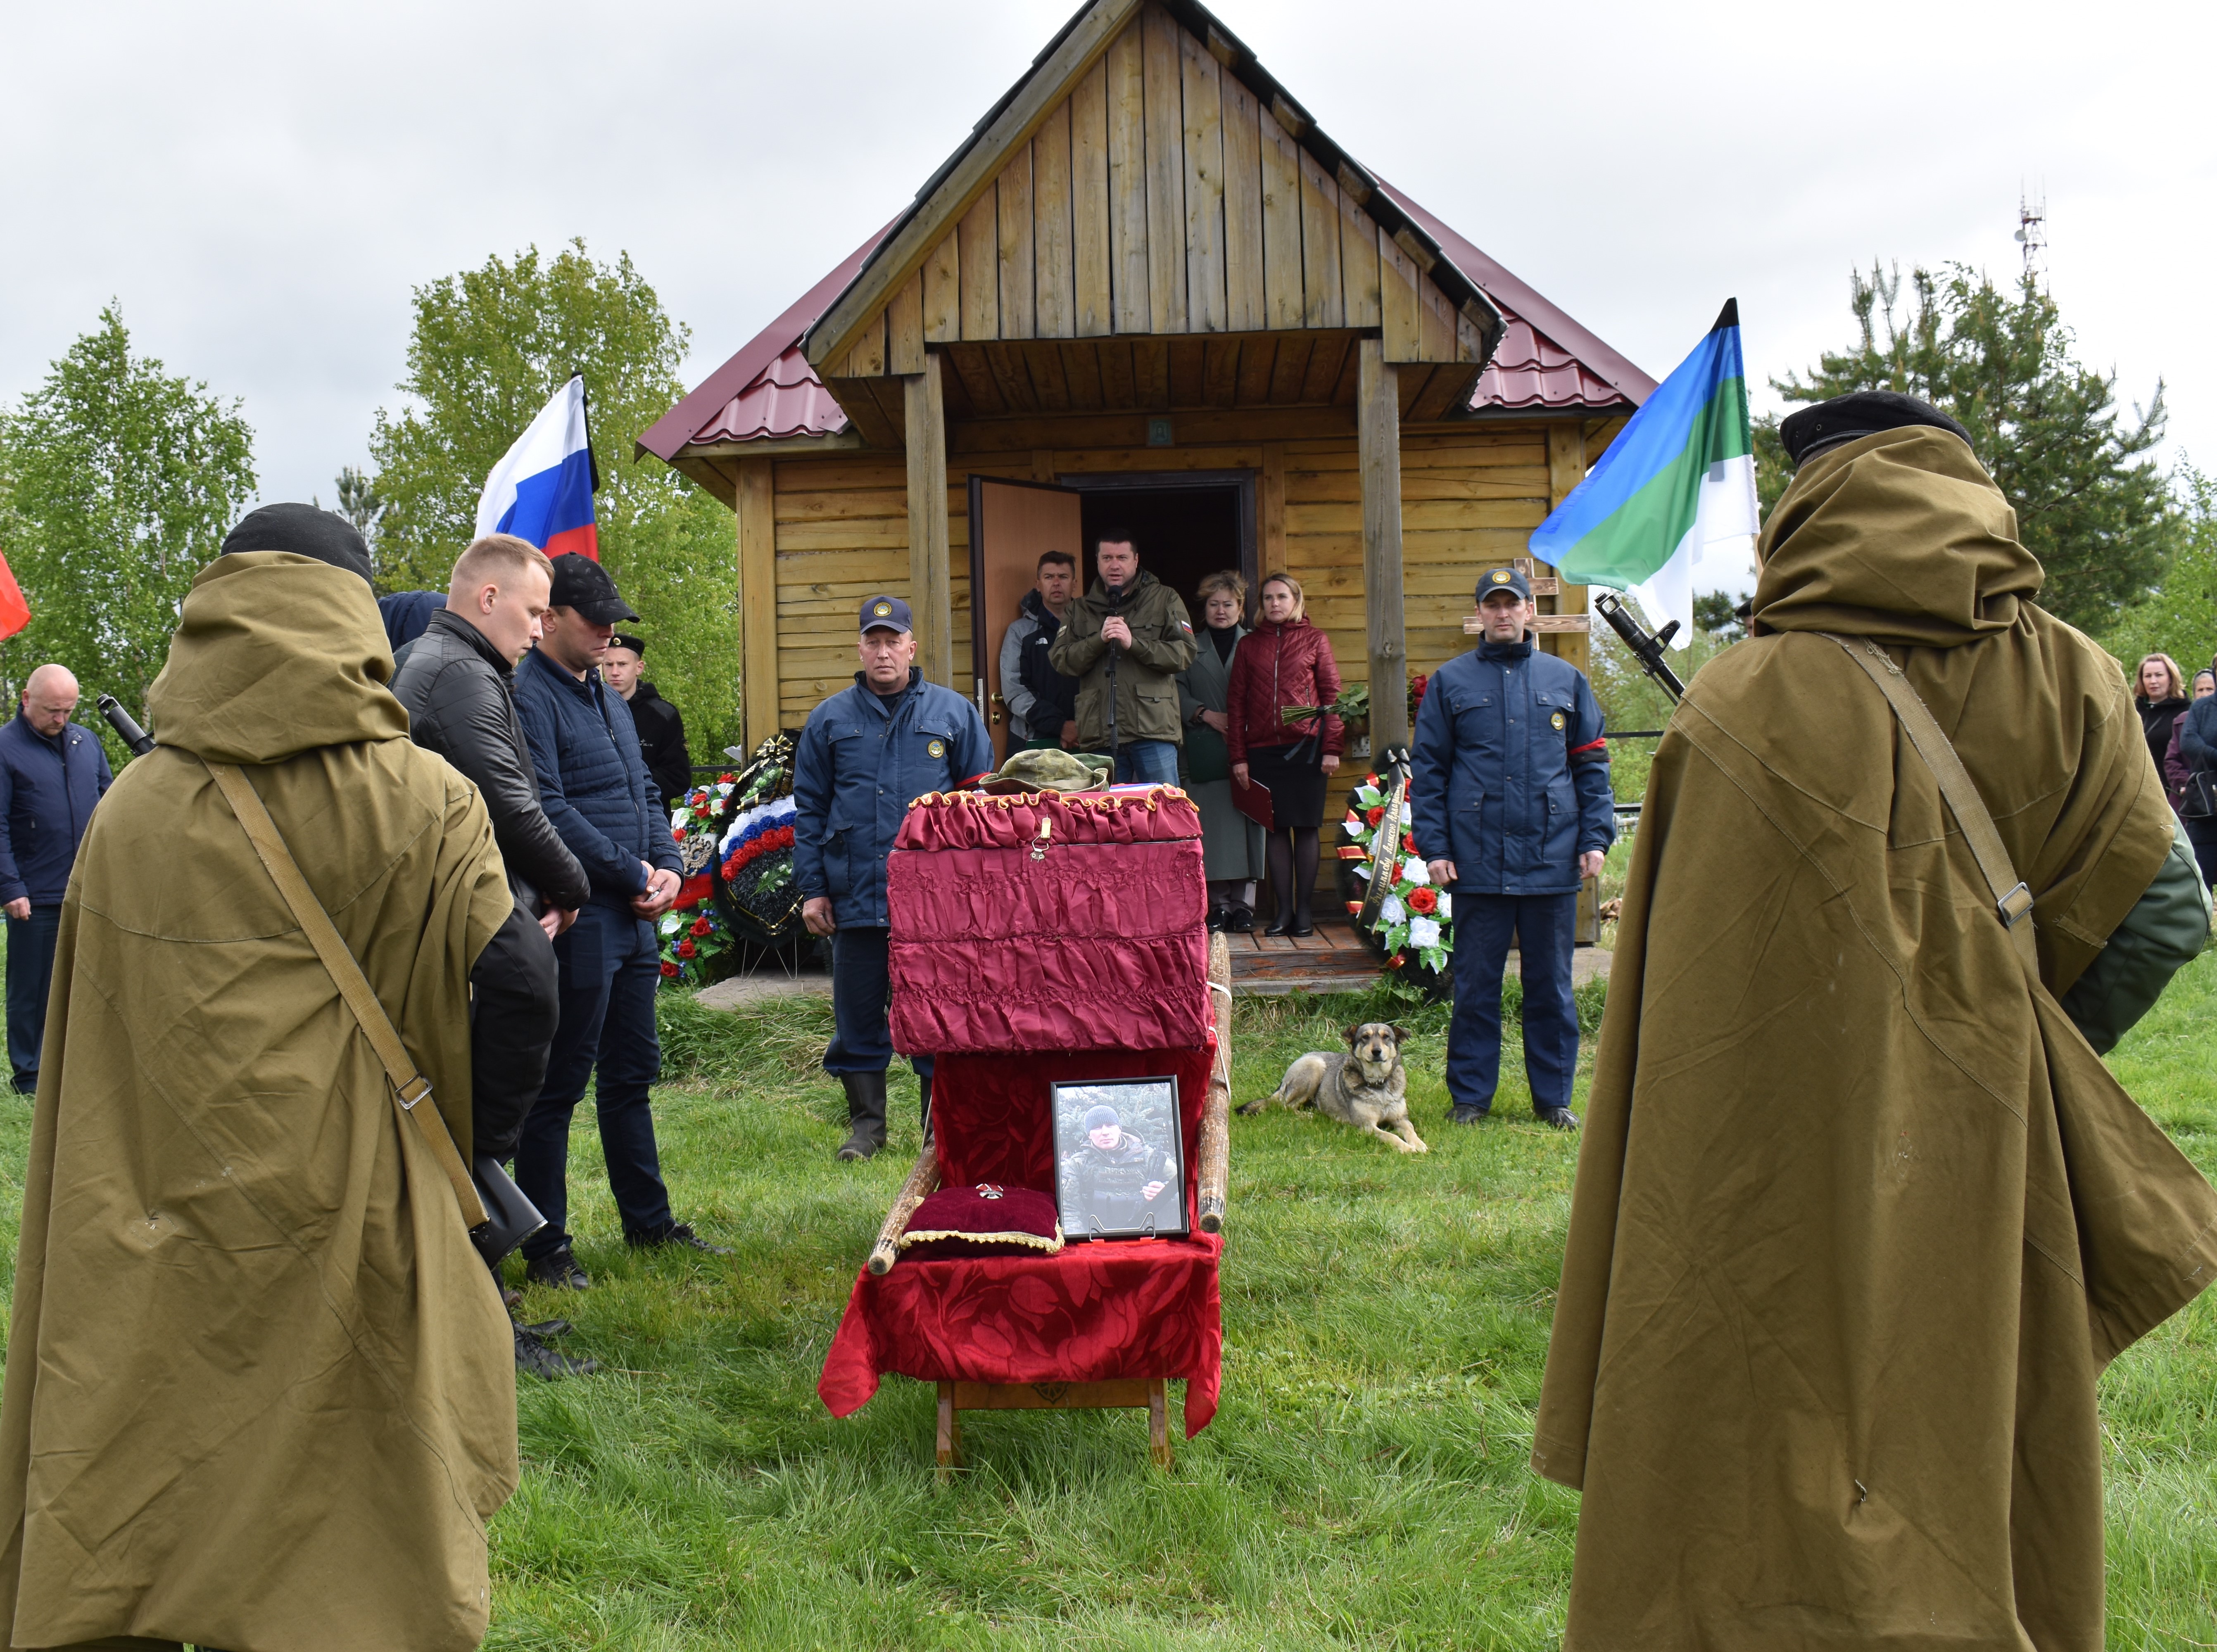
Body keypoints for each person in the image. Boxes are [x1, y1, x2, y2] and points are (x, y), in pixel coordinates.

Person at [1534, 392, 2217, 1649]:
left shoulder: (1733, 701)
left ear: (1806, 508)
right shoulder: (2069, 668)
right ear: (1959, 485)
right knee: (1979, 1445)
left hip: (1755, 1162)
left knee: (1740, 1450)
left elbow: (1674, 1003)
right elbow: (2167, 909)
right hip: (1994, 1147)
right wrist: (2008, 1050)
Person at [0, 503, 525, 1650]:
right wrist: (473, 1142)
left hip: (161, 1207)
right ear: (352, 612)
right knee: (356, 1487)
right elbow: (520, 980)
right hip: (361, 1197)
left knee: (154, 1453)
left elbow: (85, 1033)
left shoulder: (130, 808)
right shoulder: (424, 795)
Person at [389, 532, 591, 1377]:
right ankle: (482, 1319)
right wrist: (573, 882)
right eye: (533, 609)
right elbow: (510, 802)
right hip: (456, 926)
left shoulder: (461, 664)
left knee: (473, 1148)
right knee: (466, 1148)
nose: (541, 628)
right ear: (485, 598)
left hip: (463, 912)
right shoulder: (459, 672)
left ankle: (487, 1309)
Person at [513, 553, 725, 1290]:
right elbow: (546, 807)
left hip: (634, 915)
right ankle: (546, 1246)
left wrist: (667, 866)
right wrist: (633, 873)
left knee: (631, 1075)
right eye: (596, 620)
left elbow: (642, 790)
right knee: (560, 1084)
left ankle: (649, 1224)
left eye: (615, 623)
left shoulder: (602, 691)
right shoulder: (526, 694)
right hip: (581, 915)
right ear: (549, 617)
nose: (610, 633)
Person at [1411, 566, 1613, 1129]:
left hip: (1552, 857)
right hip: (1474, 861)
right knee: (1475, 986)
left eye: (1512, 604)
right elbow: (1429, 773)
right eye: (1492, 605)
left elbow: (1591, 766)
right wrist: (1434, 848)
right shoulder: (1451, 683)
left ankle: (1553, 1100)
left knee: (1550, 987)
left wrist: (1594, 836)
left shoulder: (1565, 679)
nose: (1503, 614)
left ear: (1529, 611)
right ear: (1479, 614)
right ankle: (1470, 1098)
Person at [793, 595, 993, 1161]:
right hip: (854, 893)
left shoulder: (953, 714)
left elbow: (982, 807)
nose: (883, 652)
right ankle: (867, 1130)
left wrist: (975, 895)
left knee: (936, 1012)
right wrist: (812, 889)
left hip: (934, 902)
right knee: (857, 1015)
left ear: (911, 647)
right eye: (872, 641)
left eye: (892, 641)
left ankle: (938, 1129)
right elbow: (807, 810)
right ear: (859, 648)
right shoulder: (829, 719)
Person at [0, 664, 109, 1094]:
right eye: (51, 710)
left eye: (67, 710)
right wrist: (10, 887)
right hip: (34, 891)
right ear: (26, 699)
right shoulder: (5, 749)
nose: (60, 719)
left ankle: (77, 1063)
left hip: (86, 886)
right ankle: (29, 1074)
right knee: (31, 988)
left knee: (86, 979)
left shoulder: (87, 742)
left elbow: (109, 804)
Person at [1227, 572, 1343, 936]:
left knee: (1306, 829)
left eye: (1282, 597)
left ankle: (1305, 913)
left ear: (1296, 601)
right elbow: (1236, 705)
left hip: (1306, 749)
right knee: (1275, 832)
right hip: (1263, 751)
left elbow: (1331, 697)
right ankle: (1283, 913)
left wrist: (1331, 747)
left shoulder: (1314, 639)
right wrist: (1238, 757)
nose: (1274, 604)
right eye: (1268, 598)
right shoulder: (1248, 646)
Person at [1049, 529, 1198, 785]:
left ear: (1136, 560)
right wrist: (1099, 640)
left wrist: (1135, 644)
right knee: (1106, 819)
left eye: (1122, 558)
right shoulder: (1079, 609)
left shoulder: (1165, 599)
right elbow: (1061, 660)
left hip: (1153, 731)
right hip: (1100, 734)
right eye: (1107, 558)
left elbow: (1184, 653)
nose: (1115, 565)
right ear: (1097, 562)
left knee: (1163, 813)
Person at [1179, 570, 1263, 931]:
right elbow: (1173, 691)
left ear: (1240, 608)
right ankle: (1218, 905)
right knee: (1209, 826)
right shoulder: (1187, 647)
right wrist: (1204, 714)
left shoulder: (1255, 644)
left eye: (1228, 604)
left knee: (1249, 823)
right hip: (1203, 746)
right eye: (1213, 604)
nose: (1220, 611)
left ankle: (1245, 906)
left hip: (1249, 747)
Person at [1057, 1102, 1180, 1235]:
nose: (1105, 1132)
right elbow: (1068, 1210)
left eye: (1110, 1126)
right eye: (1097, 1128)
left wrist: (1166, 1194)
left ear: (1120, 1129)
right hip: (1095, 1240)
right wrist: (1079, 1243)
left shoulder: (1151, 1157)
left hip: (1147, 1236)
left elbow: (1185, 1191)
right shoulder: (1078, 1165)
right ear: (1089, 1135)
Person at [1001, 550, 1081, 750]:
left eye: (1063, 577)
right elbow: (1015, 690)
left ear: (1074, 584)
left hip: (1086, 737)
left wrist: (1081, 727)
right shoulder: (1019, 632)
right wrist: (1061, 726)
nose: (1056, 583)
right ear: (1038, 584)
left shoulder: (1092, 629)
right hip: (1034, 739)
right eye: (1049, 577)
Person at [602, 631, 692, 808]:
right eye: (608, 664)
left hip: (650, 816)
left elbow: (677, 777)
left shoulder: (663, 715)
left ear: (639, 667)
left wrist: (628, 785)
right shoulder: (589, 709)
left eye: (622, 664)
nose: (615, 672)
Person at [2134, 650, 2189, 783]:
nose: (2153, 681)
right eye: (2148, 676)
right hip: (2138, 785)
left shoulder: (2186, 713)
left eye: (2159, 675)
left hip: (2172, 788)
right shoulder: (2133, 711)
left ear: (2171, 678)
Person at [2163, 667, 2214, 812]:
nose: (2204, 694)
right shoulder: (2182, 721)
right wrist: (2189, 784)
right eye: (2201, 690)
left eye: (2210, 689)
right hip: (2191, 798)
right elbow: (2172, 760)